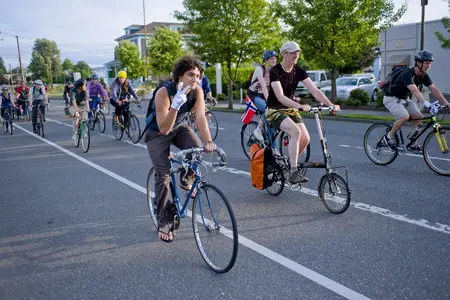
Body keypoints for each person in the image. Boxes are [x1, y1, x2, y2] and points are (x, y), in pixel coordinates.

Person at [145, 56, 217, 243]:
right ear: (179, 75)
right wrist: (175, 105)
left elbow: (200, 118)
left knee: (196, 149)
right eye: (190, 75)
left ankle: (187, 180)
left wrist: (208, 140)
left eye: (198, 76)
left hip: (179, 128)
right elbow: (163, 128)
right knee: (163, 175)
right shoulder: (164, 92)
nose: (195, 79)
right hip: (157, 133)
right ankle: (164, 222)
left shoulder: (197, 91)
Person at [266, 41, 338, 184]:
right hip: (275, 109)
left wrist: (331, 105)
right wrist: (299, 106)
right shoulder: (275, 72)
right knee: (295, 132)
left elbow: (315, 90)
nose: (296, 55)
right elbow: (280, 96)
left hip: (291, 109)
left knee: (305, 138)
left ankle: (288, 163)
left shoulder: (299, 70)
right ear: (284, 54)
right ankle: (293, 171)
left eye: (297, 52)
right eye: (293, 52)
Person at [382, 50, 450, 151]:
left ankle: (413, 144)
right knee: (404, 117)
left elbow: (434, 89)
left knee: (419, 117)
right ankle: (387, 138)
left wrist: (447, 103)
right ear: (418, 63)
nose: (429, 66)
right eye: (427, 63)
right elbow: (414, 90)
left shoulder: (423, 75)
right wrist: (427, 104)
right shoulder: (407, 74)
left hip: (404, 99)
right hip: (391, 98)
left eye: (430, 63)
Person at [248, 50, 278, 142]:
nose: (274, 60)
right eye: (271, 59)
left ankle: (274, 150)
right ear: (266, 60)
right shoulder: (260, 69)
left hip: (264, 96)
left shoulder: (275, 71)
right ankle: (258, 129)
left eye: (275, 58)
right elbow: (264, 87)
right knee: (267, 109)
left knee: (272, 125)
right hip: (254, 96)